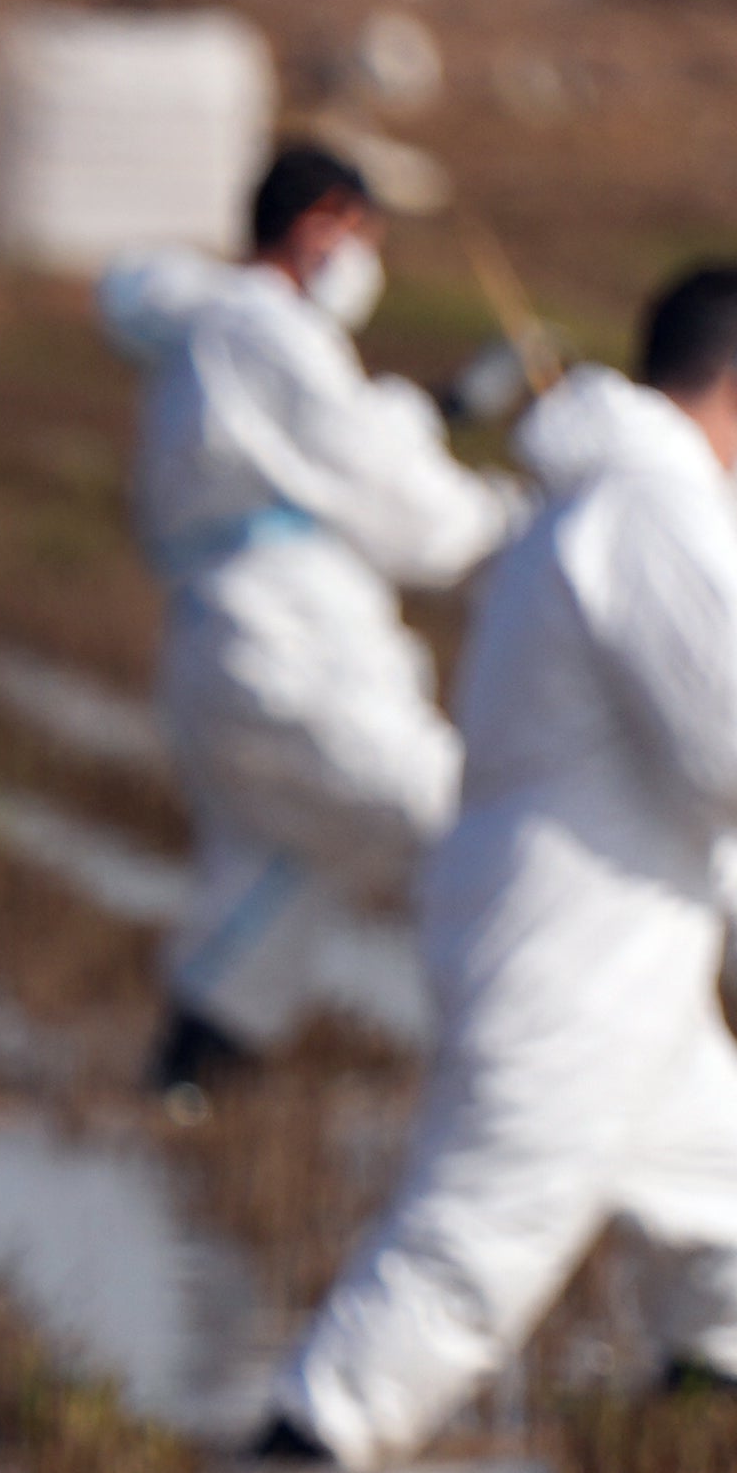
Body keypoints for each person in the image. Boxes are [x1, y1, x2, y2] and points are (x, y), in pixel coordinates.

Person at [251, 264, 737, 1469]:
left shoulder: (604, 510)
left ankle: (696, 1463)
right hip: (573, 966)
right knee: (468, 1255)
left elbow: (648, 773)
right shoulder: (657, 517)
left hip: (621, 958)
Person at [106, 138, 516, 1111]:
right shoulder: (272, 332)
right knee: (472, 829)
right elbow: (382, 487)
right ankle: (515, 1077)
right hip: (287, 645)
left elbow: (337, 438)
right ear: (321, 224)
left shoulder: (212, 332)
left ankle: (186, 1089)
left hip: (223, 645)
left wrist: (446, 407)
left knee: (280, 872)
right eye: (364, 236)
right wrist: (509, 517)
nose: (367, 262)